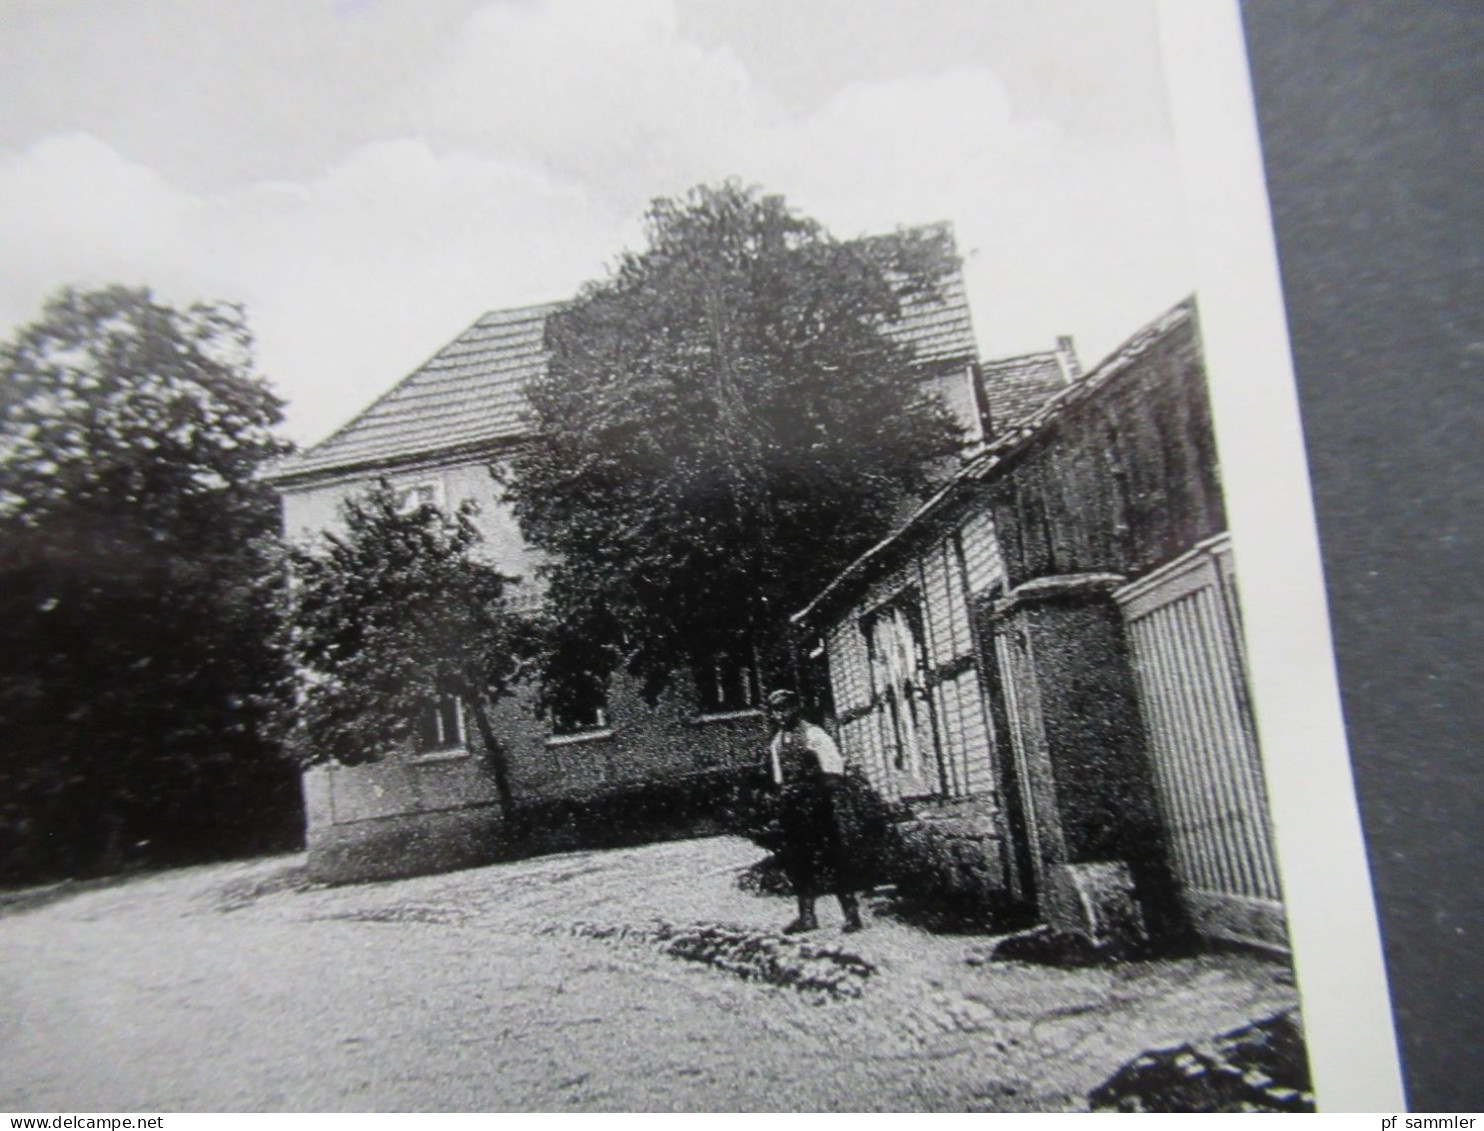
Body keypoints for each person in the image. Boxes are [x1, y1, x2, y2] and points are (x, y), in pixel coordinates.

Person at [763, 688, 866, 934]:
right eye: (776, 710)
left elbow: (834, 771)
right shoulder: (778, 742)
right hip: (795, 812)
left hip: (818, 808)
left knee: (834, 858)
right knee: (800, 861)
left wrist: (815, 790)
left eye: (785, 709)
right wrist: (784, 799)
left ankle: (852, 915)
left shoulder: (813, 734)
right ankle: (807, 916)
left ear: (795, 708)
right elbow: (780, 780)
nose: (780, 715)